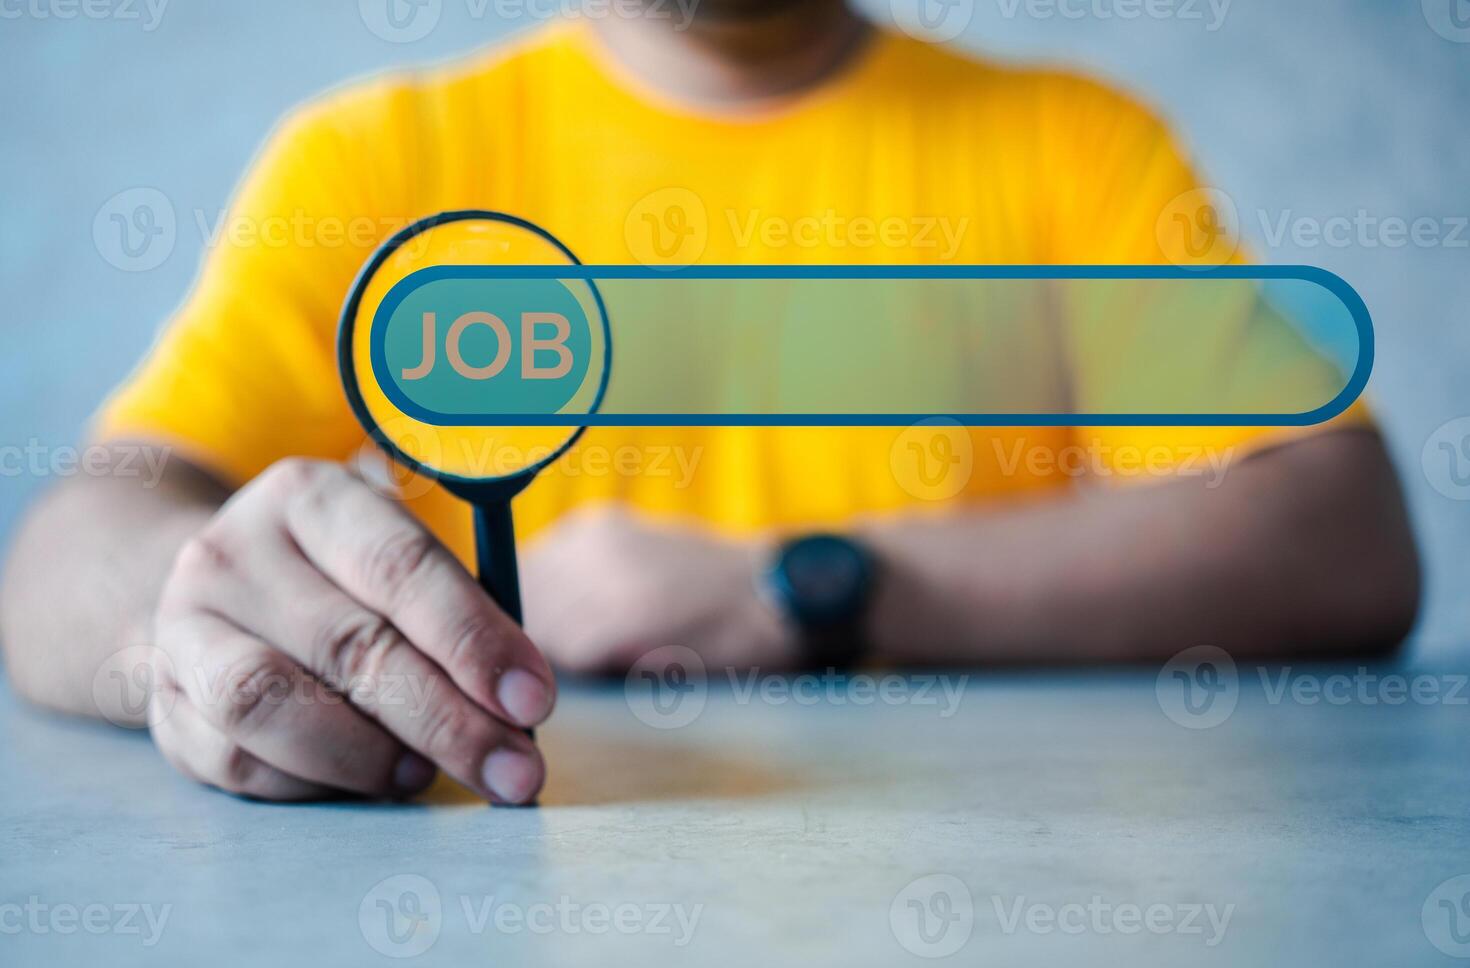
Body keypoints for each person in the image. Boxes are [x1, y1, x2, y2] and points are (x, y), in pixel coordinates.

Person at [0, 0, 1419, 805]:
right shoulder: (372, 162)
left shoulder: (1071, 146)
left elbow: (1342, 527)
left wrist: (811, 587)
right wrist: (180, 637)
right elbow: (82, 535)